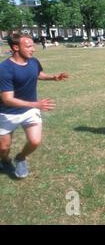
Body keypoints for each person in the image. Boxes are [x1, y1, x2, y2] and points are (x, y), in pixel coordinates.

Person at [0, 33, 69, 178]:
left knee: (35, 141)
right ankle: (5, 160)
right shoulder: (4, 69)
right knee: (3, 148)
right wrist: (36, 104)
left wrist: (53, 77)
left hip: (29, 110)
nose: (34, 49)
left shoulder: (33, 61)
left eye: (33, 45)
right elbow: (7, 99)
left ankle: (20, 158)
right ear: (15, 47)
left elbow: (38, 74)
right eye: (29, 46)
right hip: (7, 113)